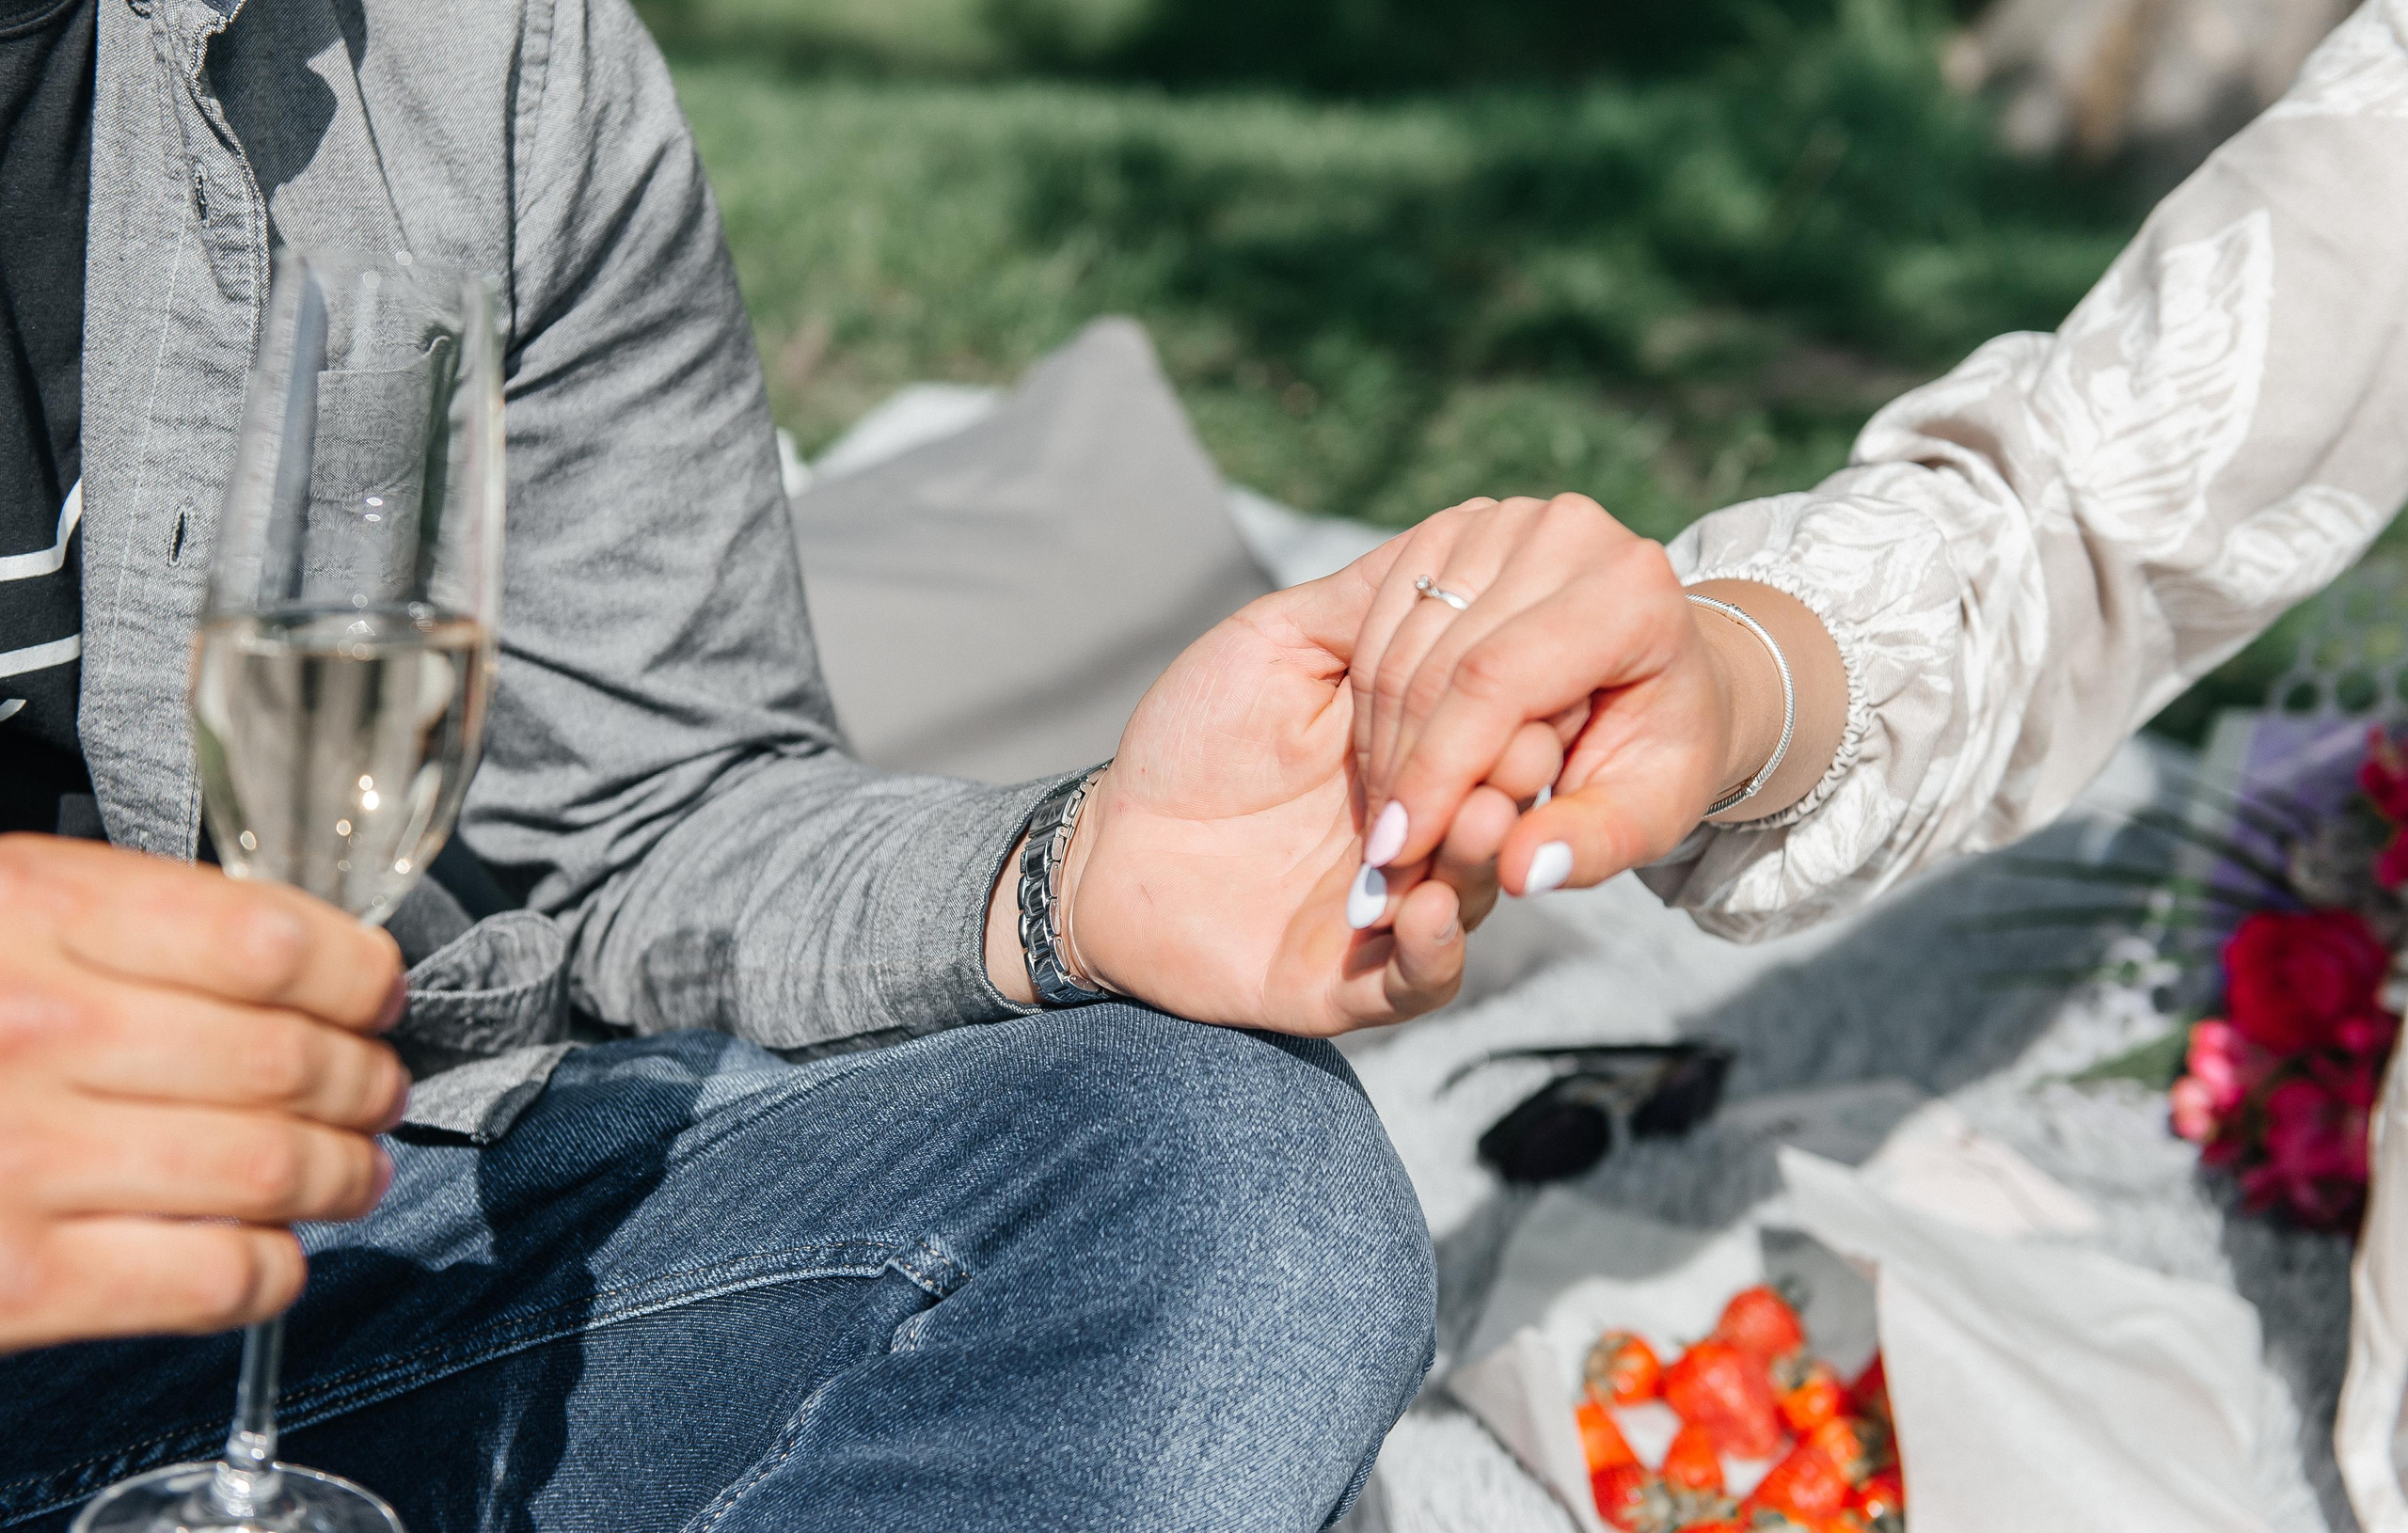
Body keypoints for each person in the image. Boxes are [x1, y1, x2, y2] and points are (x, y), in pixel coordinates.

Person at [0, 0, 1808, 1527]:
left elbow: (654, 814)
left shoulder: (484, 59)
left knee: (1226, 1187)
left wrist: (1071, 879)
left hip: (298, 1273)